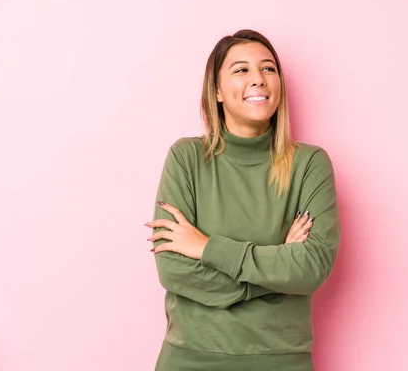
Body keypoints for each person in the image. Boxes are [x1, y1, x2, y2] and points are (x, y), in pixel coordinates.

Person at [145, 29, 341, 371]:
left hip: (281, 361)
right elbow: (174, 269)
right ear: (217, 91)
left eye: (268, 69)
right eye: (241, 70)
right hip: (190, 359)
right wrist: (275, 273)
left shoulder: (309, 164)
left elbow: (311, 268)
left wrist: (207, 247)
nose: (259, 80)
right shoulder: (186, 158)